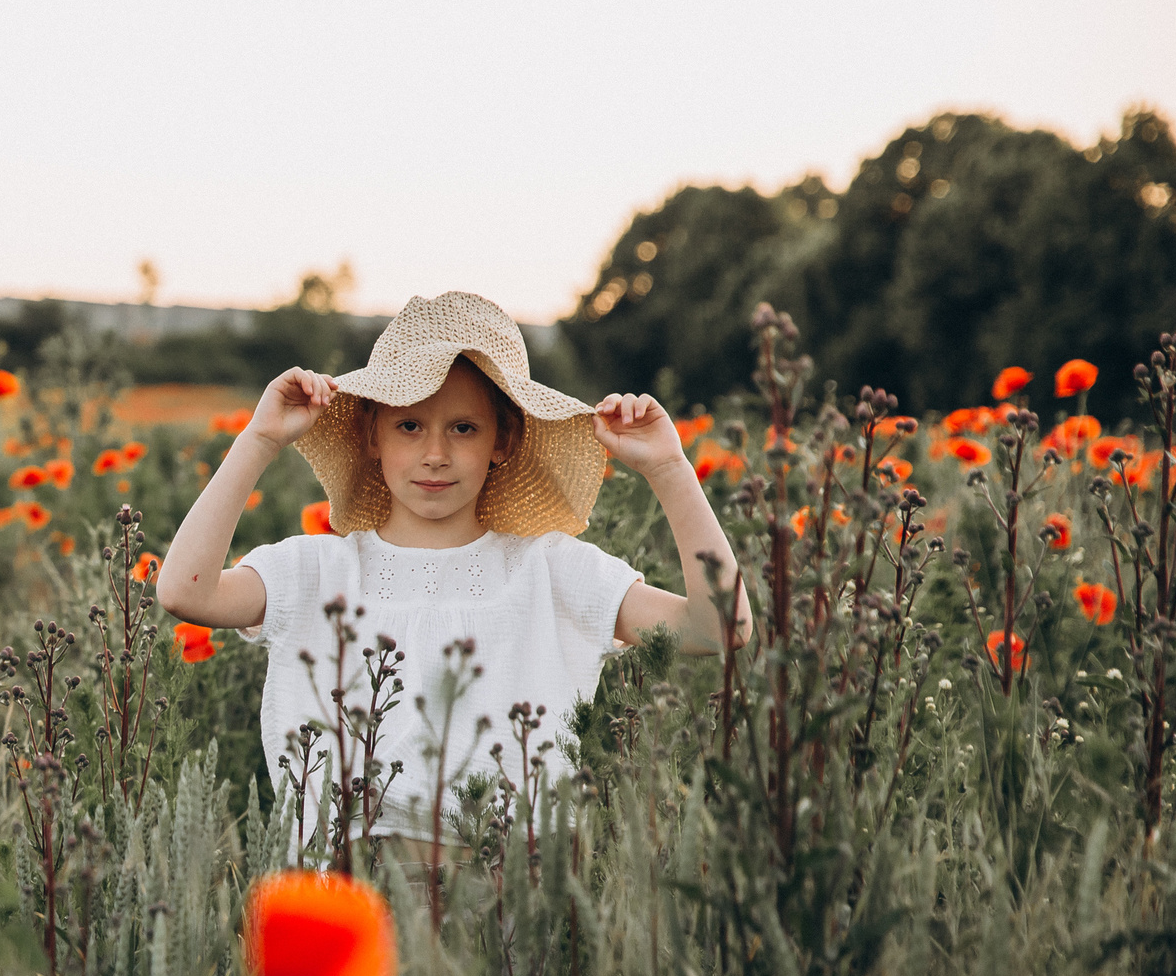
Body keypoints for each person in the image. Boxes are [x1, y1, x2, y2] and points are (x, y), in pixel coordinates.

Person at [156, 289, 747, 849]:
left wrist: (669, 468)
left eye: (463, 428)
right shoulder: (316, 571)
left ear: (503, 439)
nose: (435, 454)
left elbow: (718, 627)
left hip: (507, 897)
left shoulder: (550, 570)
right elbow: (186, 592)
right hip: (349, 888)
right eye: (409, 425)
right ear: (372, 435)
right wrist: (259, 439)